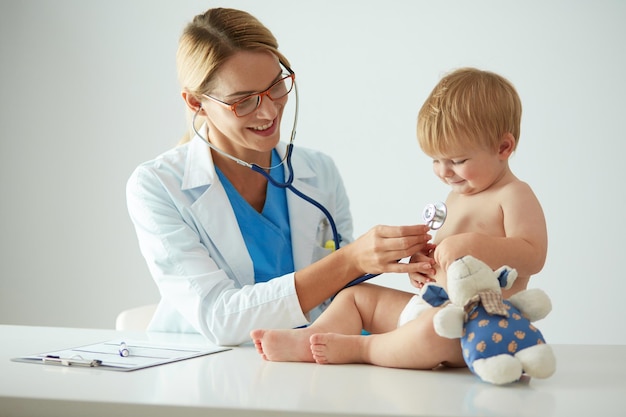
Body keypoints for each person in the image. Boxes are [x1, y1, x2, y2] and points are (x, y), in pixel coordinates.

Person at [126, 7, 435, 346]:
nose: (269, 111)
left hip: (306, 359)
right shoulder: (157, 187)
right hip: (209, 368)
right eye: (243, 101)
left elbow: (339, 296)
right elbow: (220, 318)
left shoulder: (319, 172)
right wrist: (351, 260)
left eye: (276, 86)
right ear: (196, 103)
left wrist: (393, 259)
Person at [250, 67, 548, 369]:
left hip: (474, 328)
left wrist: (474, 245)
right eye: (436, 160)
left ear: (503, 147)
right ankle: (313, 336)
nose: (444, 171)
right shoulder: (457, 196)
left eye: (457, 161)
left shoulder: (513, 195)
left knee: (433, 330)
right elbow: (448, 259)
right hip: (430, 307)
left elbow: (533, 255)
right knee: (356, 296)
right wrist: (423, 264)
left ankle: (363, 348)